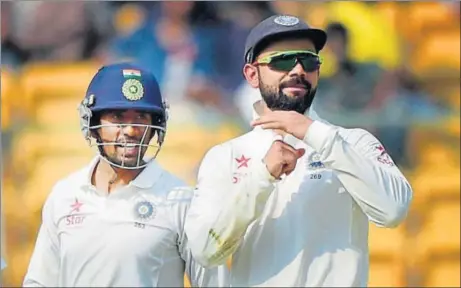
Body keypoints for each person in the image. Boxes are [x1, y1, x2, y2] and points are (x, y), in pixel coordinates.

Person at [184, 15, 413, 287]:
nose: (297, 70)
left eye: (308, 61)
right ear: (251, 74)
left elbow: (393, 210)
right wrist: (260, 178)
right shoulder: (226, 156)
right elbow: (205, 252)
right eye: (282, 60)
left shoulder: (354, 142)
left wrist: (314, 134)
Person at [23, 63, 229, 287]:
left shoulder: (180, 200)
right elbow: (40, 282)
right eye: (117, 116)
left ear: (155, 126)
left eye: (141, 117)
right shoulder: (65, 194)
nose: (131, 130)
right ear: (93, 124)